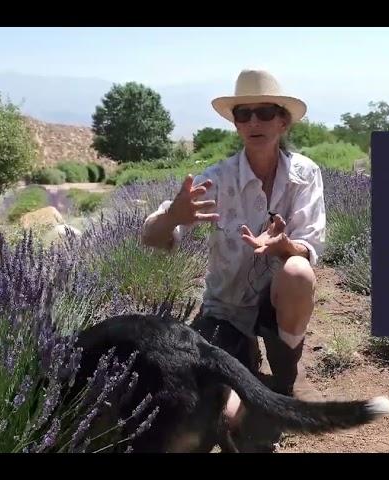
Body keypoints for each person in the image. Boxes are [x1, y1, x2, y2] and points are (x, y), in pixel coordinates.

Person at [141, 69, 326, 430]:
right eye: (244, 114)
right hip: (227, 309)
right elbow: (150, 236)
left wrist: (285, 246)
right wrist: (171, 218)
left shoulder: (305, 174)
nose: (254, 122)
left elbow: (309, 246)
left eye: (265, 113)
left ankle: (286, 380)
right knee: (227, 417)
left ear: (283, 122)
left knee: (297, 271)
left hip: (277, 299)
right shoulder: (217, 179)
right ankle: (244, 357)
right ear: (236, 124)